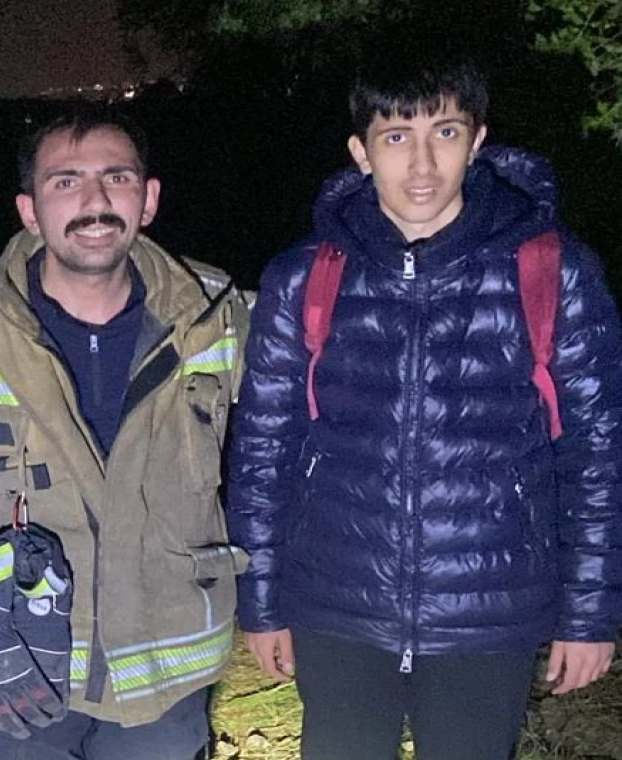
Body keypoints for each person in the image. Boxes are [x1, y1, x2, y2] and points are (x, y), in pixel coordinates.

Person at [227, 53, 622, 760]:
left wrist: (589, 613)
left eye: (444, 132)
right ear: (361, 151)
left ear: (477, 141)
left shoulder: (554, 270)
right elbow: (262, 449)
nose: (421, 163)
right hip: (336, 605)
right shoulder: (303, 276)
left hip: (489, 612)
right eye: (395, 136)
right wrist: (259, 600)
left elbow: (597, 453)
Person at [0, 105, 251, 760]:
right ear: (29, 211)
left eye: (117, 178)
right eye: (66, 181)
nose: (94, 200)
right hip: (17, 671)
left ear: (148, 200)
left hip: (167, 679)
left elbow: (317, 412)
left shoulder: (218, 314)